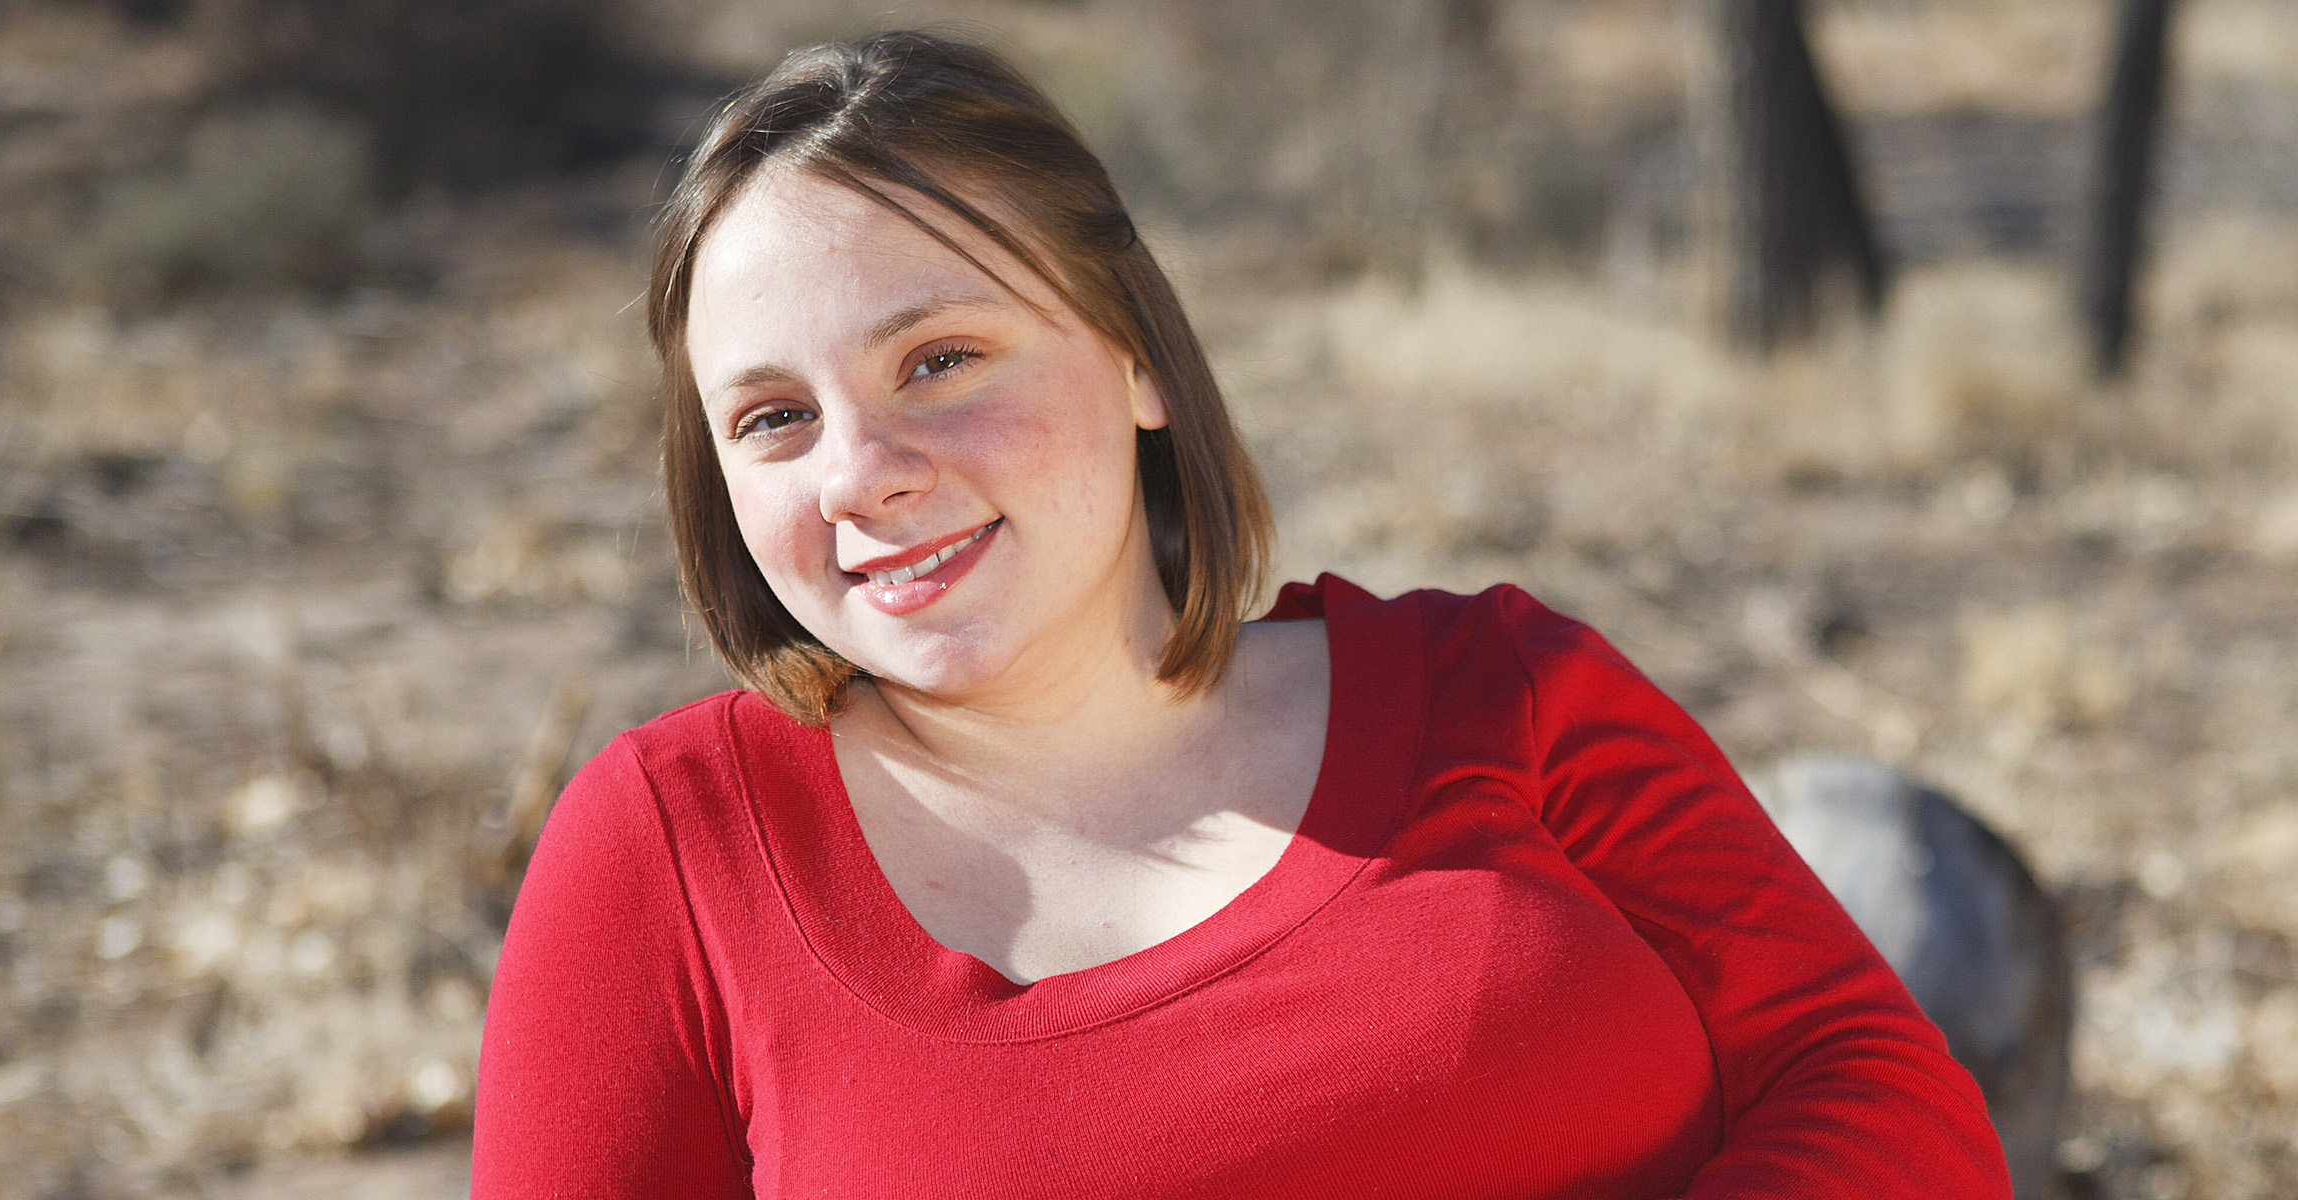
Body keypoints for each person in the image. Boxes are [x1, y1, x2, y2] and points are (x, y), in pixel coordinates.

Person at [472, 31, 2008, 1199]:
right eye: (772, 419)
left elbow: (1879, 1092)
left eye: (940, 359)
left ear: (1136, 358)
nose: (864, 474)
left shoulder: (1506, 688)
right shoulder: (672, 853)